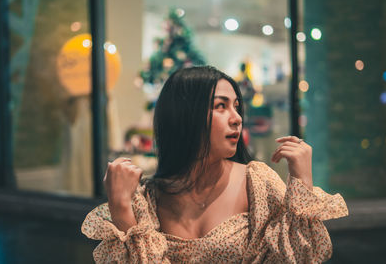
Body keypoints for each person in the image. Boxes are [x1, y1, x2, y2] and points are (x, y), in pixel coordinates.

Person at [82, 66, 348, 263]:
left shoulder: (256, 183)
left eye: (236, 107)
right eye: (220, 107)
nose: (236, 118)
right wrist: (120, 207)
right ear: (185, 116)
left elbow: (303, 255)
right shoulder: (149, 198)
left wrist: (302, 181)